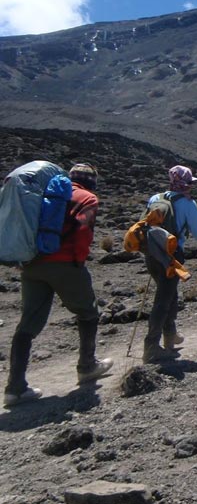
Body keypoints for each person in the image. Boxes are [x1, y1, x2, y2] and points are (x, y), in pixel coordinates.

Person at [4, 163, 113, 407]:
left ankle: (15, 388)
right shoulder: (87, 197)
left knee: (28, 323)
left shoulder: (43, 192)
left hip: (32, 263)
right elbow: (83, 230)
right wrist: (78, 261)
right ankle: (87, 366)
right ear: (91, 181)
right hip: (65, 263)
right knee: (88, 312)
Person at [143, 165, 197, 364]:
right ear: (184, 184)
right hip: (171, 255)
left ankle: (170, 335)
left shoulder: (155, 198)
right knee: (163, 299)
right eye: (189, 183)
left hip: (152, 254)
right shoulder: (187, 204)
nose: (190, 187)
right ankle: (151, 347)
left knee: (168, 294)